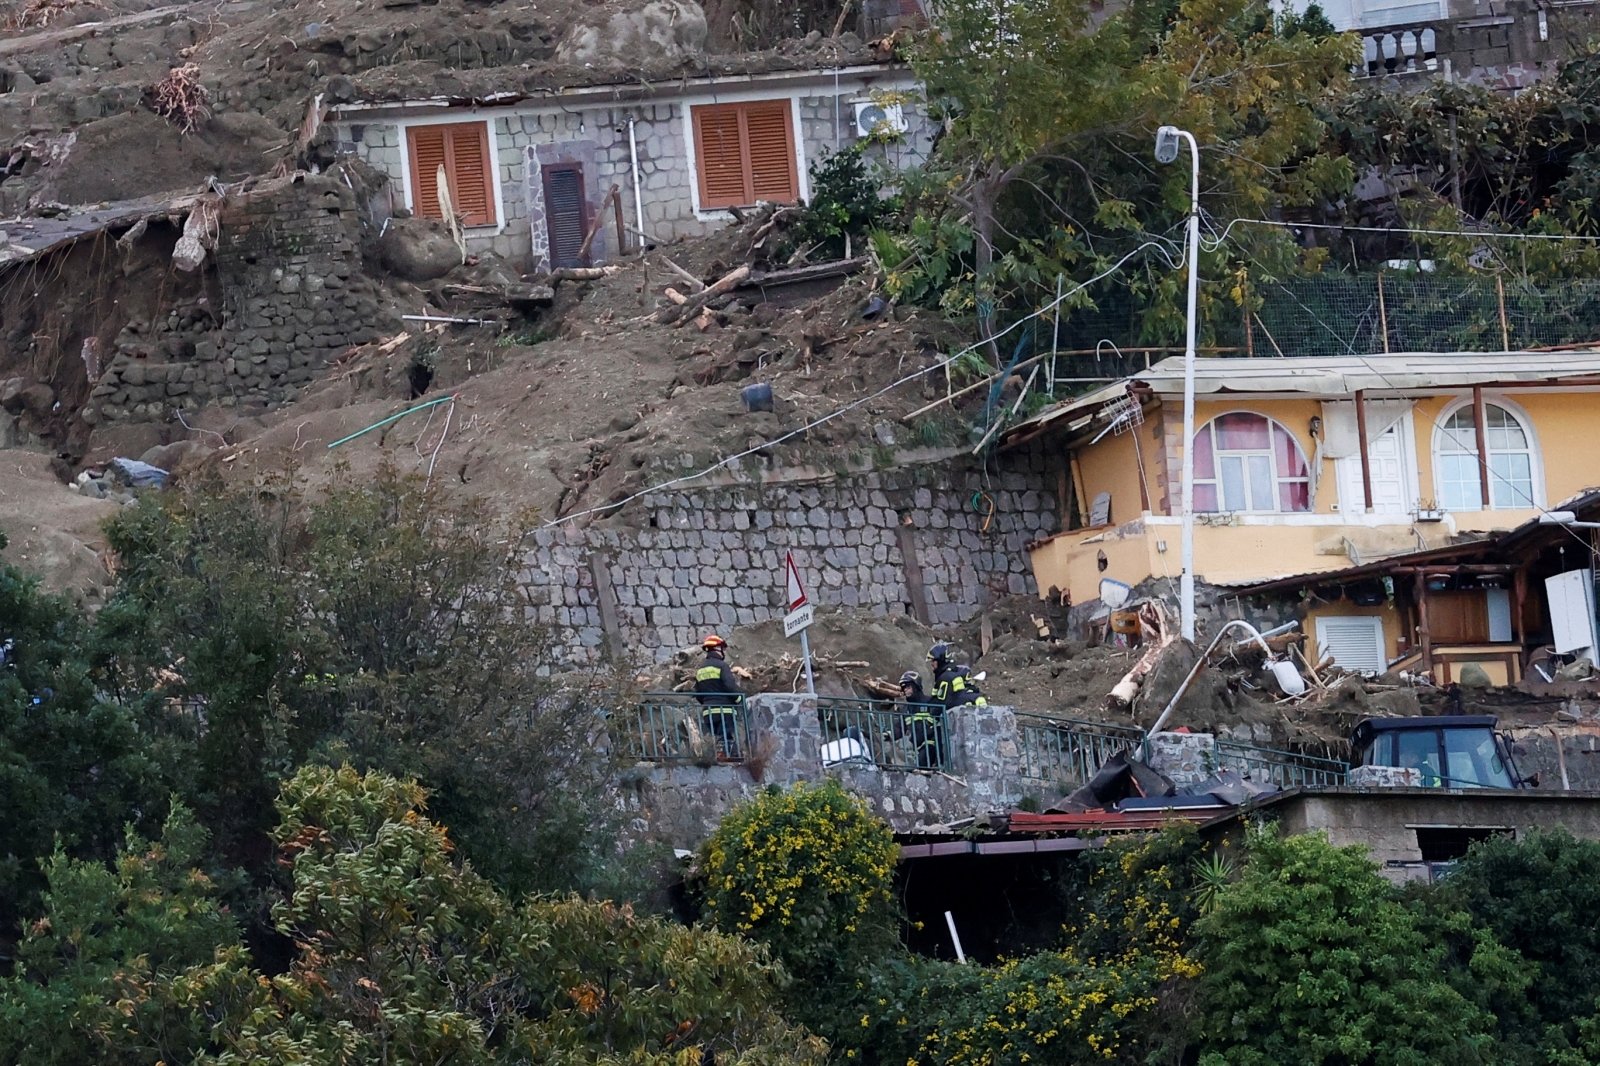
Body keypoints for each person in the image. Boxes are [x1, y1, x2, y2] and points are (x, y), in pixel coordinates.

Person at [694, 634, 743, 758]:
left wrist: (707, 703)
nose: (723, 652)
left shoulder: (700, 669)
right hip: (724, 710)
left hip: (708, 712)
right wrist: (739, 699)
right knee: (726, 736)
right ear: (717, 649)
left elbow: (697, 693)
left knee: (718, 737)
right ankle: (729, 759)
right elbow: (730, 686)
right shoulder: (722, 666)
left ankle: (724, 757)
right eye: (722, 649)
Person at [898, 669, 947, 771]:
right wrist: (888, 734)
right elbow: (899, 728)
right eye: (903, 688)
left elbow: (939, 723)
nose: (905, 690)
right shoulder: (906, 709)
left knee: (920, 761)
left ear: (916, 686)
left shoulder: (930, 702)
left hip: (930, 745)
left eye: (908, 687)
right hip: (914, 749)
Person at [927, 642, 987, 713]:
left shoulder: (946, 677)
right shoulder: (973, 695)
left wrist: (931, 714)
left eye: (933, 661)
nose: (931, 664)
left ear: (940, 660)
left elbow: (943, 703)